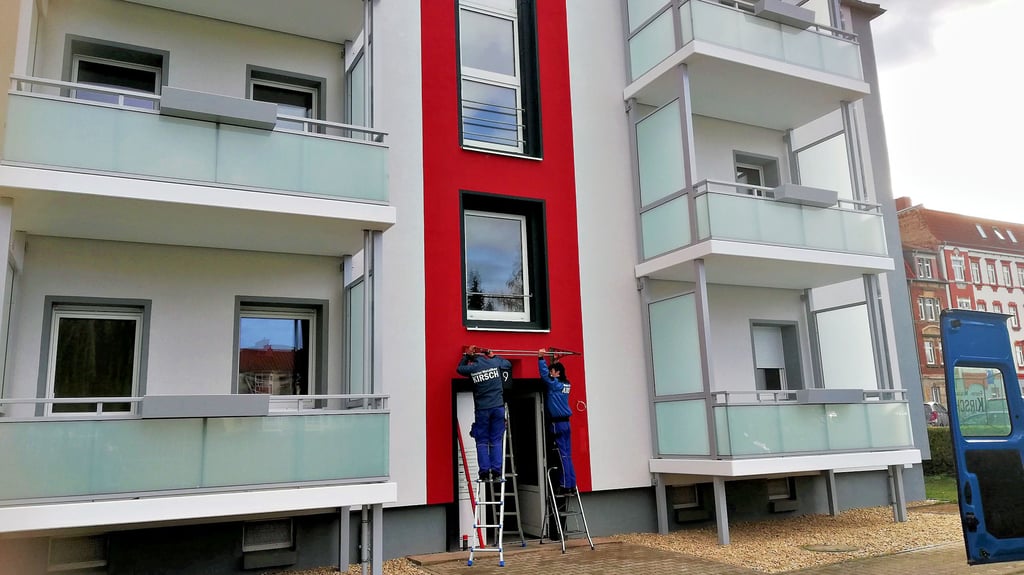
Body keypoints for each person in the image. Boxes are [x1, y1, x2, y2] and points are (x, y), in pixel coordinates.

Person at [457, 346, 512, 482]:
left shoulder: (472, 368)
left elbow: (459, 369)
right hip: (498, 407)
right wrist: (493, 355)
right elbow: (508, 364)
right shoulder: (494, 363)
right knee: (496, 440)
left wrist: (466, 356)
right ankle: (497, 473)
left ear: (472, 359)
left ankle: (484, 473)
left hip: (482, 409)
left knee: (481, 441)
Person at [538, 348, 576, 494]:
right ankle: (571, 484)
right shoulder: (566, 384)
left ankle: (565, 485)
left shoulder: (554, 384)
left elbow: (544, 375)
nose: (550, 373)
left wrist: (541, 358)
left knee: (562, 456)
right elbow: (554, 375)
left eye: (552, 371)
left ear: (557, 373)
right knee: (567, 455)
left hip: (557, 424)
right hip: (566, 424)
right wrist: (555, 361)